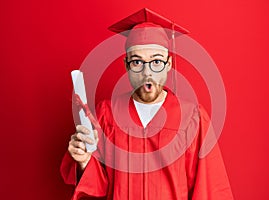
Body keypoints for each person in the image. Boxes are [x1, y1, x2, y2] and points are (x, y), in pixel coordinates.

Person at [60, 8, 234, 200]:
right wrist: (84, 161)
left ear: (169, 64)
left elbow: (210, 189)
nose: (147, 73)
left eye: (156, 61)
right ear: (126, 65)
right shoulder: (107, 114)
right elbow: (99, 186)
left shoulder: (193, 118)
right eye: (137, 62)